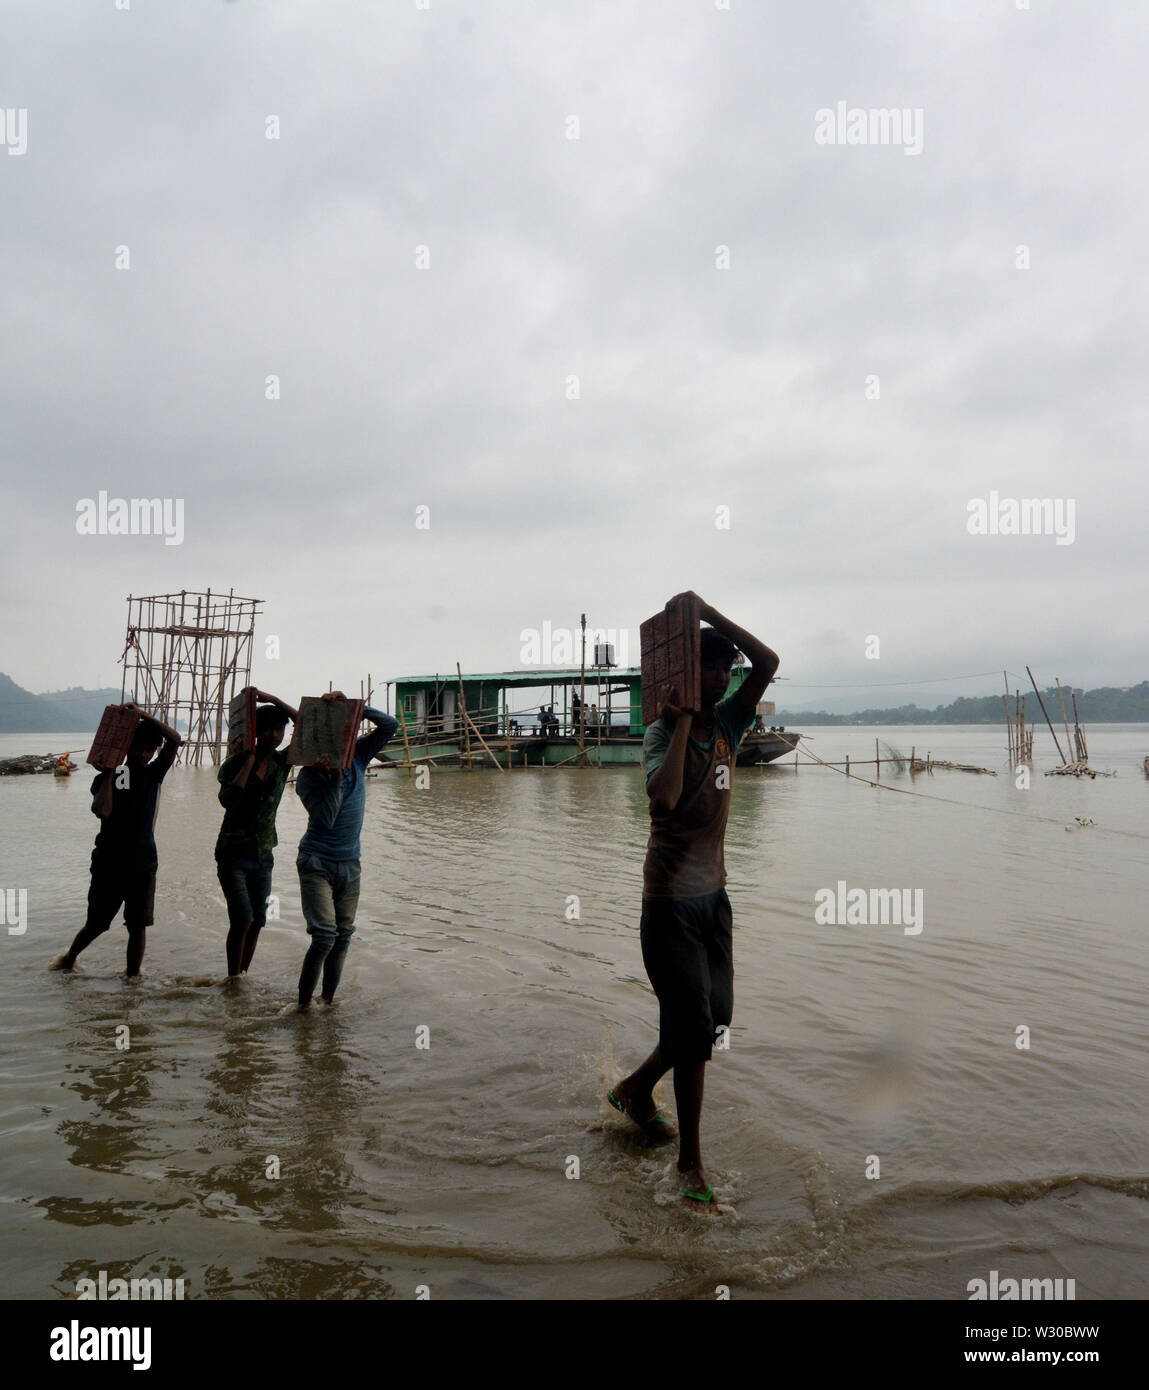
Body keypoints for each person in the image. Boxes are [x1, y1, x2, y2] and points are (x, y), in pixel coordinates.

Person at [609, 597, 779, 1210]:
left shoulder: (732, 722)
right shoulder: (660, 733)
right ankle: (690, 1164)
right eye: (710, 666)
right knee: (696, 1033)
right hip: (669, 907)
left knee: (714, 1020)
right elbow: (666, 799)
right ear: (689, 673)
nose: (722, 676)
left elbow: (769, 659)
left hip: (715, 900)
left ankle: (634, 1088)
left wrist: (710, 613)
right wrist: (679, 721)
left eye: (724, 668)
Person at [51, 704, 182, 977]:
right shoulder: (111, 777)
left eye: (149, 750)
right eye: (139, 748)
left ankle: (132, 979)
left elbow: (175, 740)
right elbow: (103, 810)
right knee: (97, 924)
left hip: (142, 862)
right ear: (126, 747)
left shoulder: (152, 773)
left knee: (137, 926)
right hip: (109, 862)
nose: (144, 755)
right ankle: (69, 959)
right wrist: (110, 771)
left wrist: (143, 716)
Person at [294, 693, 398, 1010]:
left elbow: (390, 725)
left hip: (351, 864)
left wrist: (356, 710)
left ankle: (327, 1005)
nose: (344, 736)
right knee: (325, 936)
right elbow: (325, 820)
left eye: (347, 728)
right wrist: (336, 781)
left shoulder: (359, 756)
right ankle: (302, 1008)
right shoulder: (309, 775)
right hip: (316, 862)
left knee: (342, 937)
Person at [215, 691, 298, 978]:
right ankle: (232, 978)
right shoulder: (234, 764)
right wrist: (248, 762)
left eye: (279, 730)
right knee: (242, 920)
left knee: (258, 921)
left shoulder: (282, 762)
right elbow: (227, 800)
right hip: (233, 854)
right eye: (268, 729)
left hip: (263, 854)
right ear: (257, 731)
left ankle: (242, 976)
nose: (275, 735)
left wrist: (272, 699)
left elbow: (305, 724)